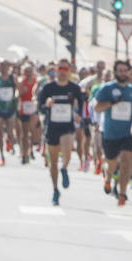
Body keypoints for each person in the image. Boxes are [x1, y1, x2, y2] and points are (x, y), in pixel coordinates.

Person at [38, 58, 82, 206]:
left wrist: (78, 114)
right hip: (52, 126)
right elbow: (40, 106)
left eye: (65, 69)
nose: (63, 72)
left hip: (67, 126)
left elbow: (81, 103)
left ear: (69, 71)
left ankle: (64, 169)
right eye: (60, 69)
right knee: (53, 162)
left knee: (68, 150)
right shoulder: (48, 88)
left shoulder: (74, 88)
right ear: (56, 71)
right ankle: (55, 189)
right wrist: (47, 104)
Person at [95, 60, 132, 206]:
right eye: (120, 70)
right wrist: (111, 102)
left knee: (126, 161)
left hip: (127, 133)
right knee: (112, 163)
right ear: (115, 72)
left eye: (125, 70)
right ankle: (108, 179)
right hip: (111, 133)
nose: (122, 73)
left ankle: (122, 192)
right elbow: (97, 108)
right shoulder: (107, 88)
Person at [0, 58, 18, 166]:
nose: (3, 68)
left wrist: (17, 96)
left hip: (10, 108)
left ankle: (9, 142)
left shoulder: (12, 78)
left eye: (5, 66)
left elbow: (18, 89)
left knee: (10, 131)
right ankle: (2, 155)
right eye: (1, 66)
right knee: (0, 133)